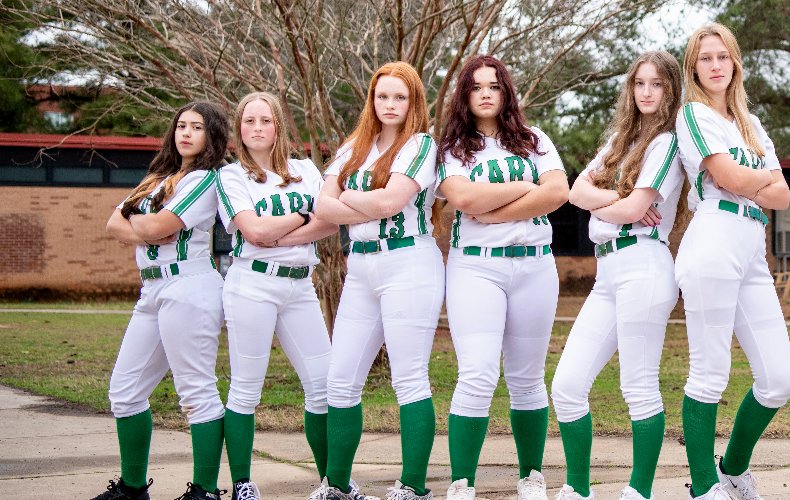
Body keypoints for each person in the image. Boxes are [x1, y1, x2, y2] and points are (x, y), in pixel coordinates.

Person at [551, 50, 685, 500]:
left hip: (644, 265)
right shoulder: (618, 141)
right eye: (639, 83)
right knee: (567, 386)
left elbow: (632, 209)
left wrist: (613, 203)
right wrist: (621, 200)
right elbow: (576, 191)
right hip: (607, 270)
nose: (646, 92)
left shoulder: (666, 143)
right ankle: (578, 489)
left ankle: (638, 491)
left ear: (670, 90)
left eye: (657, 84)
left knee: (638, 386)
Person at [436, 55, 570, 500]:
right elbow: (463, 197)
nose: (486, 93)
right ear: (465, 95)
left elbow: (558, 191)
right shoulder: (454, 147)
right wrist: (525, 189)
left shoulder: (534, 139)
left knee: (528, 377)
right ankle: (461, 483)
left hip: (535, 265)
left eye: (494, 86)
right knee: (477, 373)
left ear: (506, 92)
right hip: (476, 267)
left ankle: (531, 476)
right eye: (476, 87)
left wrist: (494, 213)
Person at [674, 22, 790, 500]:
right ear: (693, 68)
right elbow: (729, 178)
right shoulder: (693, 114)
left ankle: (732, 469)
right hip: (714, 237)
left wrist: (752, 181)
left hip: (751, 246)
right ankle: (704, 486)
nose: (715, 65)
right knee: (709, 372)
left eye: (723, 56)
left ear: (735, 63)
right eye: (705, 58)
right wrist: (758, 179)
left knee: (779, 379)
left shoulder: (750, 124)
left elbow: (782, 195)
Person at [315, 61, 444, 500]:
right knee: (340, 379)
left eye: (400, 97)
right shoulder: (355, 146)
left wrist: (349, 197)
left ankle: (412, 487)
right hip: (361, 266)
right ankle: (336, 487)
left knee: (408, 379)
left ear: (414, 102)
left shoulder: (421, 144)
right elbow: (321, 206)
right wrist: (365, 203)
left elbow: (392, 203)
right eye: (382, 96)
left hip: (409, 262)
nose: (390, 104)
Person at [96, 101, 232, 500]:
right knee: (125, 391)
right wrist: (150, 231)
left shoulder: (206, 178)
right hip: (152, 288)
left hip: (189, 285)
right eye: (181, 125)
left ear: (212, 135)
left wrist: (143, 226)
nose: (185, 133)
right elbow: (113, 224)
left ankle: (205, 491)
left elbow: (157, 224)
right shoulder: (159, 178)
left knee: (196, 392)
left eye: (197, 127)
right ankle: (133, 489)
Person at [216, 91, 340, 500]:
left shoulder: (305, 169)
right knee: (246, 389)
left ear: (278, 126)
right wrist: (304, 216)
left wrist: (281, 234)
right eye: (249, 121)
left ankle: (331, 484)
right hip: (252, 284)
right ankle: (243, 484)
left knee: (323, 387)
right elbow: (253, 231)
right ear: (239, 129)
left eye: (265, 120)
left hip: (300, 285)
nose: (257, 128)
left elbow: (330, 223)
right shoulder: (231, 176)